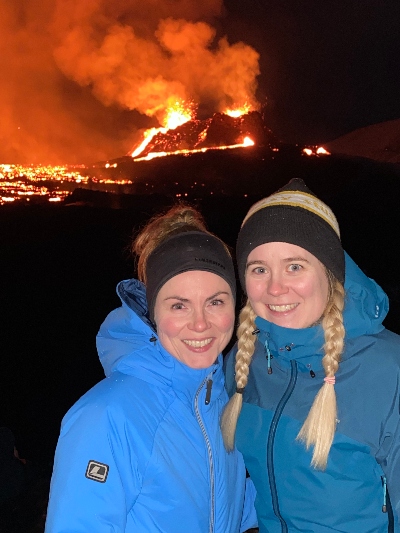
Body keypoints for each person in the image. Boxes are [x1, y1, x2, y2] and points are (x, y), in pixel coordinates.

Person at [45, 205, 257, 533]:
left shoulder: (223, 399)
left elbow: (226, 507)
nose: (200, 324)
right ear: (152, 313)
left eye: (215, 301)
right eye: (179, 305)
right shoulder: (107, 417)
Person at [222, 178, 400, 532]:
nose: (275, 287)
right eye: (259, 269)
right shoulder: (246, 358)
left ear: (329, 273)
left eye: (295, 266)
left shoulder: (388, 369)